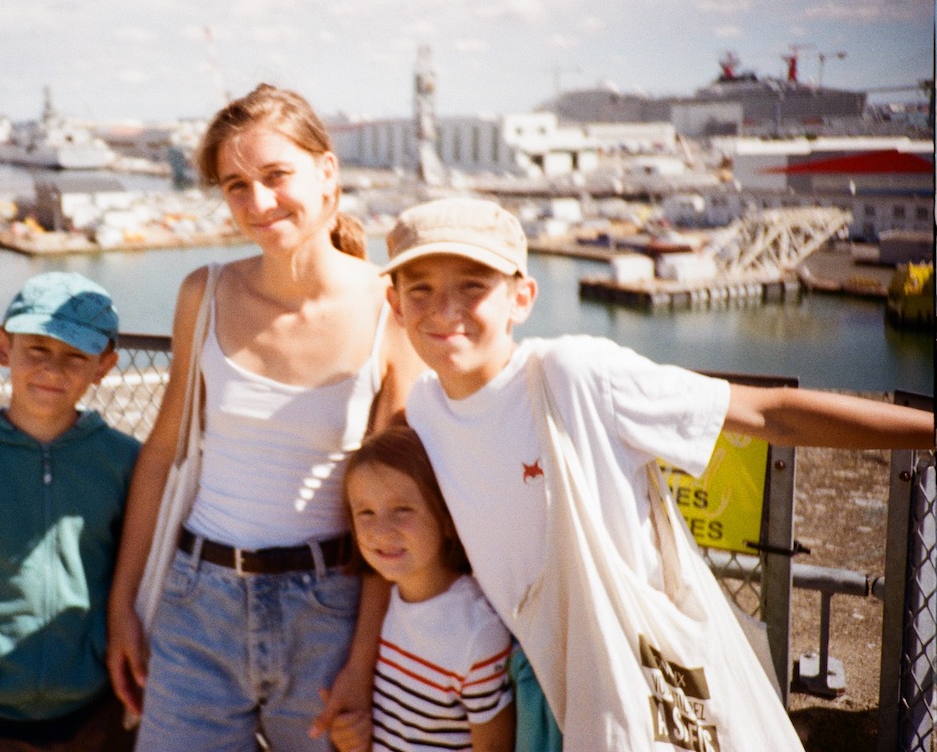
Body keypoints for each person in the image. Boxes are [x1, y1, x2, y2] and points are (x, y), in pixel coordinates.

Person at [378, 196, 935, 749]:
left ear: (521, 298)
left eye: (473, 286)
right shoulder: (426, 408)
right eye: (420, 289)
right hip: (544, 679)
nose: (444, 308)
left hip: (638, 667)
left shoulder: (574, 376)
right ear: (395, 305)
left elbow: (769, 414)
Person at [106, 84, 422, 752]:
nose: (258, 202)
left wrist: (362, 662)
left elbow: (395, 502)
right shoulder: (205, 292)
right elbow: (162, 453)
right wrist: (124, 605)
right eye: (236, 185)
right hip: (197, 602)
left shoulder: (388, 308)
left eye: (276, 175)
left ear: (326, 171)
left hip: (328, 615)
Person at [0, 271, 141, 752]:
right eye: (37, 348)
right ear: (1, 347)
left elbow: (137, 576)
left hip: (95, 710)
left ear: (105, 366)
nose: (53, 369)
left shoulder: (128, 465)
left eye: (76, 355)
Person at [336, 425, 516, 752]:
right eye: (365, 513)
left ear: (447, 517)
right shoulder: (387, 604)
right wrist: (354, 736)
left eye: (402, 510)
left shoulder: (477, 632)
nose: (381, 530)